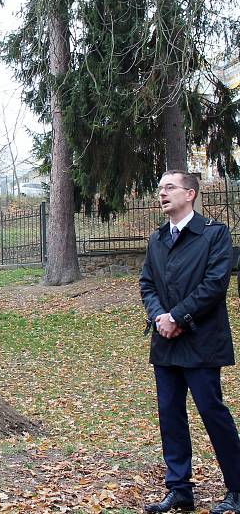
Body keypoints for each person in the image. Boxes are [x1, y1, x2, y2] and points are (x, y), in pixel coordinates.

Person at [140, 170, 240, 514]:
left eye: (169, 187)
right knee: (170, 416)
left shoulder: (215, 235)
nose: (162, 193)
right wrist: (159, 317)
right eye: (160, 188)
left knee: (213, 413)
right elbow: (147, 285)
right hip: (165, 344)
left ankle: (237, 489)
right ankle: (179, 489)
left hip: (201, 341)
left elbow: (215, 285)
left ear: (190, 194)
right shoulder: (156, 240)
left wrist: (178, 317)